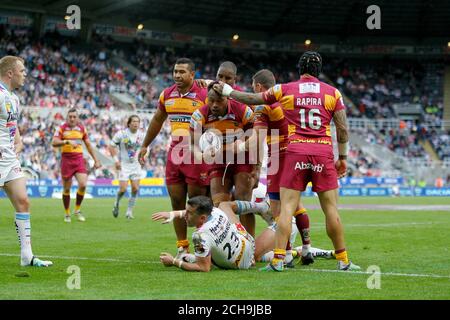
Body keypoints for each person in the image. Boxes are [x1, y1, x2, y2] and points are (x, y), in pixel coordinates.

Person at [213, 51, 360, 271]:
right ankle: (344, 261)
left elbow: (253, 99)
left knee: (286, 209)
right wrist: (343, 158)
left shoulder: (285, 89)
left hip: (295, 151)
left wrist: (226, 90)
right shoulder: (333, 93)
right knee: (330, 210)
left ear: (299, 69)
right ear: (319, 71)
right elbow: (342, 128)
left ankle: (279, 260)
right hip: (322, 153)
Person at [235, 69, 314, 264]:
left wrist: (239, 146)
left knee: (278, 209)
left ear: (259, 87)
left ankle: (286, 255)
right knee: (296, 205)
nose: (253, 92)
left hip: (280, 156)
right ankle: (306, 249)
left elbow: (256, 140)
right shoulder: (289, 99)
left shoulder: (263, 105)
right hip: (300, 153)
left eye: (254, 88)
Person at [138, 58, 209, 258]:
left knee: (197, 204)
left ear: (192, 75)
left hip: (197, 156)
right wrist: (145, 145)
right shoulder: (167, 94)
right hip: (175, 156)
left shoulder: (204, 94)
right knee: (176, 201)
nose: (177, 75)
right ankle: (182, 246)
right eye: (175, 71)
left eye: (182, 72)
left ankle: (202, 248)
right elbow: (157, 120)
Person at [0, 55, 52, 267]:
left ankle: (27, 256)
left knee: (23, 202)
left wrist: (18, 144)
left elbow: (13, 128)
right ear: (10, 73)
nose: (25, 75)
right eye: (22, 71)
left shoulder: (14, 99)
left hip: (9, 158)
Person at [190, 83, 257, 236]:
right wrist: (201, 155)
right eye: (211, 100)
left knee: (243, 202)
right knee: (219, 204)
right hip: (218, 162)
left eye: (219, 101)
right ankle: (229, 244)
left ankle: (250, 245)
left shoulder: (243, 111)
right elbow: (193, 145)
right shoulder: (199, 115)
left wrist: (256, 166)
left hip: (242, 160)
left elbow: (256, 138)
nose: (214, 105)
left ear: (227, 98)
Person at [153, 195, 255, 271]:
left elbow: (203, 268)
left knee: (205, 251)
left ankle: (261, 207)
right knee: (224, 206)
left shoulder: (200, 236)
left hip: (240, 264)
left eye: (189, 213)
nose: (185, 216)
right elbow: (193, 213)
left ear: (202, 218)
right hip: (247, 243)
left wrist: (173, 262)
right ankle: (260, 207)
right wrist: (172, 214)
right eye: (186, 211)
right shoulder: (215, 211)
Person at [52, 108, 101, 223]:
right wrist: (66, 142)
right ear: (67, 117)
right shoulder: (61, 128)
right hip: (66, 159)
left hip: (78, 159)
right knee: (67, 188)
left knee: (83, 184)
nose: (72, 119)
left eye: (74, 116)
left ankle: (77, 210)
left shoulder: (82, 129)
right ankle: (67, 213)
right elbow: (54, 142)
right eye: (70, 117)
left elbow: (88, 145)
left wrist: (96, 160)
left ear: (77, 118)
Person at [109, 115, 146, 219]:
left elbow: (145, 148)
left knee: (135, 189)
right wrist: (116, 161)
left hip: (136, 165)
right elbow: (111, 146)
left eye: (137, 122)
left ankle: (129, 211)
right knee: (123, 189)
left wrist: (143, 157)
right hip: (124, 165)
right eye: (133, 121)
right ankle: (116, 203)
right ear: (129, 123)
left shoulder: (142, 135)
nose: (135, 123)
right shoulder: (121, 134)